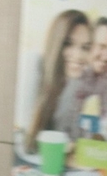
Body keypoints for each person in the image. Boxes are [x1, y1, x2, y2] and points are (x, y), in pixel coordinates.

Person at [26, 9, 92, 155]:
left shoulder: (75, 82)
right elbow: (22, 133)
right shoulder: (33, 65)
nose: (79, 55)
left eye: (85, 48)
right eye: (69, 44)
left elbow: (70, 137)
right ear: (57, 43)